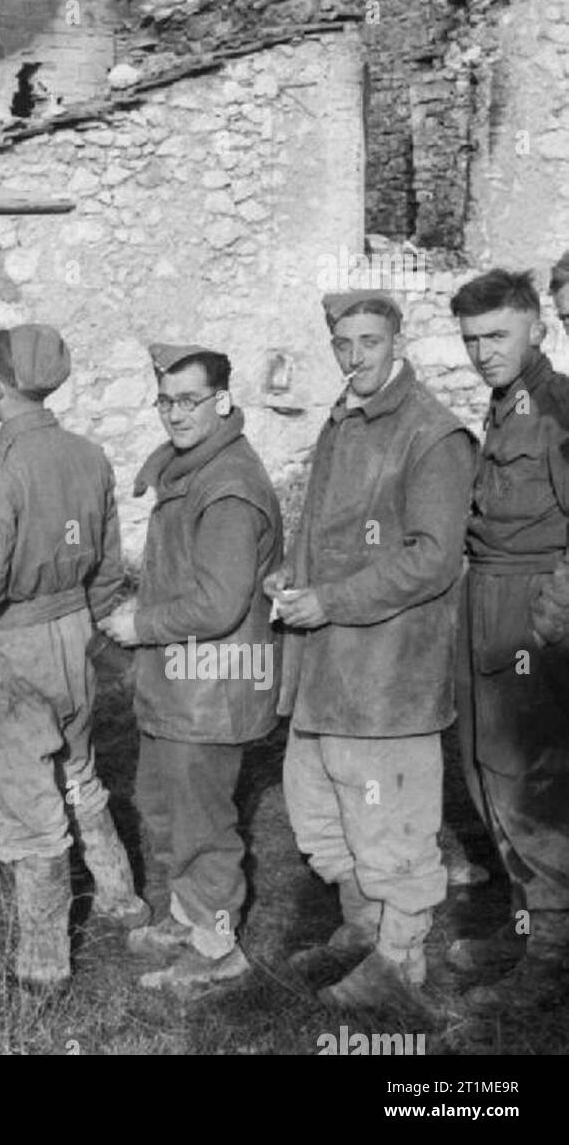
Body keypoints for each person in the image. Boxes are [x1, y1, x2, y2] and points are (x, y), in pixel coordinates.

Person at [272, 291, 472, 1013]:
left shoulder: (433, 434)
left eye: (369, 341)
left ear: (397, 340)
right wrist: (294, 582)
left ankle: (400, 964)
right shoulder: (342, 418)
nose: (355, 357)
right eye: (342, 343)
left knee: (390, 828)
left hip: (389, 676)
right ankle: (362, 928)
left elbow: (432, 559)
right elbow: (330, 535)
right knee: (319, 813)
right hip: (328, 669)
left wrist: (331, 599)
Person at [0, 324, 147, 992]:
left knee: (27, 804)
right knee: (77, 771)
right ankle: (121, 898)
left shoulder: (1, 471)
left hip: (12, 649)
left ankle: (43, 962)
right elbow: (111, 571)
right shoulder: (88, 456)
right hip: (73, 637)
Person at [100, 343, 282, 991]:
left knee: (203, 824)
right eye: (166, 399)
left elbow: (220, 600)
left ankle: (217, 950)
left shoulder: (228, 483)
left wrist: (139, 624)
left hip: (211, 688)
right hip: (181, 683)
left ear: (223, 401)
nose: (175, 413)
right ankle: (186, 915)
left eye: (190, 399)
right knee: (165, 805)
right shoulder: (193, 466)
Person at [447, 267, 569, 1011]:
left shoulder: (558, 406)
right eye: (471, 340)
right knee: (484, 767)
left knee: (532, 771)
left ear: (536, 329)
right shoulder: (505, 406)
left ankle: (552, 955)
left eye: (498, 335)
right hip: (486, 594)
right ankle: (530, 924)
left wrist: (555, 605)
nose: (484, 351)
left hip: (529, 602)